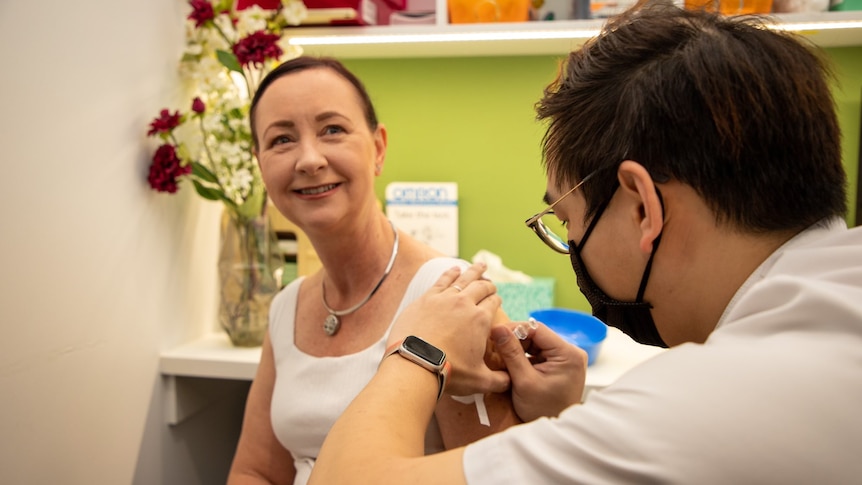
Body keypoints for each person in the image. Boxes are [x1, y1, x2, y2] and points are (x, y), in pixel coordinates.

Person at [307, 3, 862, 484]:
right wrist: (565, 421)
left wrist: (417, 347)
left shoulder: (705, 407)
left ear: (642, 205)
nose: (571, 242)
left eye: (567, 219)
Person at [227, 57, 521, 485]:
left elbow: (488, 477)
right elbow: (256, 471)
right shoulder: (286, 307)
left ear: (378, 148)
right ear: (260, 164)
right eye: (281, 139)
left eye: (332, 129)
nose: (309, 159)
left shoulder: (453, 296)